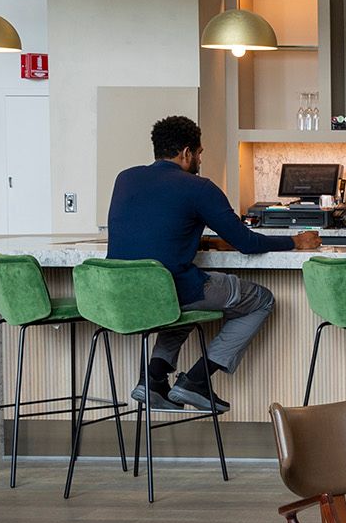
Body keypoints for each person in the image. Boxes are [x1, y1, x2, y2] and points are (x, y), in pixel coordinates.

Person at [106, 115, 318, 412]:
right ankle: (197, 380)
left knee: (177, 304)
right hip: (175, 289)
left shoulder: (125, 178)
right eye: (200, 152)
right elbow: (247, 242)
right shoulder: (198, 187)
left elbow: (152, 231)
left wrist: (204, 241)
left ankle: (153, 379)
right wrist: (295, 242)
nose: (201, 159)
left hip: (121, 294)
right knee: (261, 300)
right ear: (186, 152)